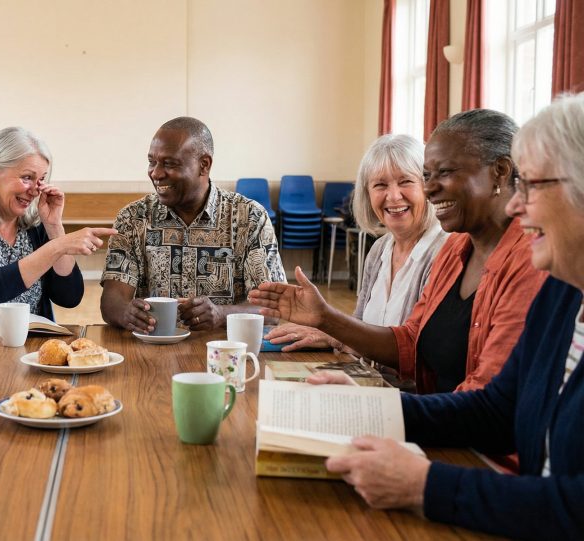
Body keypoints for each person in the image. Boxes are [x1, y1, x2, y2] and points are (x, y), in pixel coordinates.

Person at [307, 93, 584, 539]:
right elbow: (496, 409)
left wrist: (424, 484)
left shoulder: (538, 274)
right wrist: (373, 407)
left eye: (531, 185)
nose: (516, 205)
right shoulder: (563, 294)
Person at [250, 109, 547, 393]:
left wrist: (388, 406)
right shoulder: (455, 247)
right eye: (427, 176)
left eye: (441, 173)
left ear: (501, 171)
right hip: (428, 416)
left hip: (455, 434)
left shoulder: (528, 258)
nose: (430, 189)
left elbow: (487, 401)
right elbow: (411, 344)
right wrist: (326, 318)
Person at [266, 134, 448, 356]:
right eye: (380, 185)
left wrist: (329, 325)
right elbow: (360, 327)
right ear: (367, 194)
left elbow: (420, 352)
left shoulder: (445, 252)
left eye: (406, 182)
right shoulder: (380, 249)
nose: (393, 196)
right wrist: (333, 334)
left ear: (427, 185)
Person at [101, 117, 286, 333]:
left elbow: (273, 310)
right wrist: (126, 313)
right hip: (153, 355)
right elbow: (111, 302)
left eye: (169, 163)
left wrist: (221, 314)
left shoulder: (250, 218)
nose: (156, 173)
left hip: (225, 355)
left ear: (203, 165)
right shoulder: (133, 218)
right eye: (152, 161)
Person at [0, 127, 114, 323]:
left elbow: (69, 297)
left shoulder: (35, 226)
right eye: (27, 177)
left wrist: (54, 227)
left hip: (29, 346)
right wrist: (58, 246)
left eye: (41, 180)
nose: (36, 191)